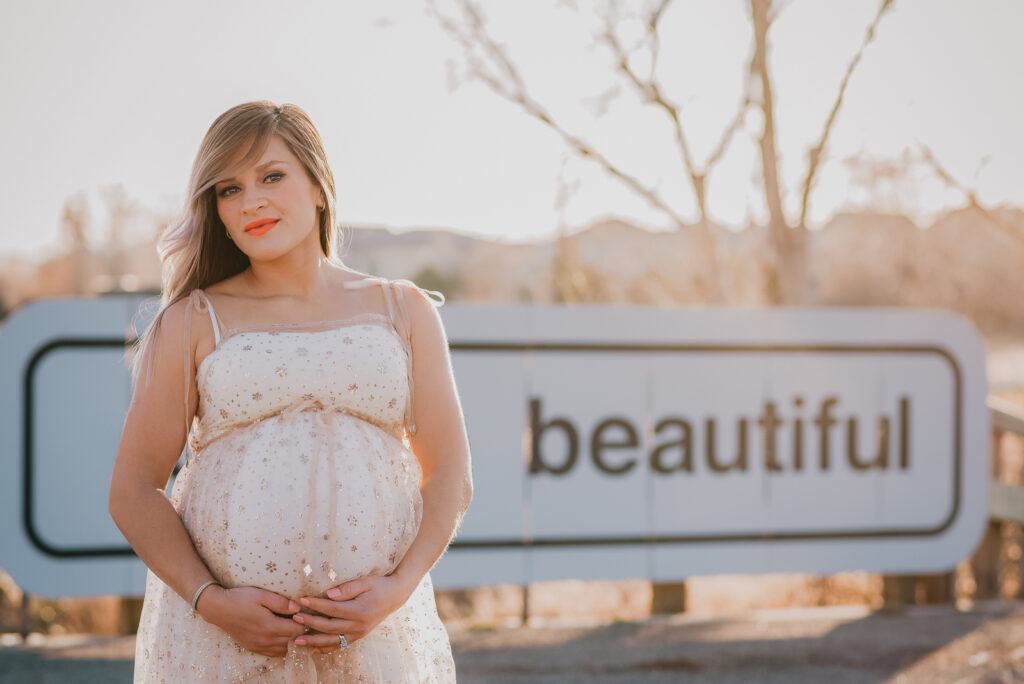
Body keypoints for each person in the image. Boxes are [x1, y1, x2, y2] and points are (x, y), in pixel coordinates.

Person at [109, 101, 473, 682]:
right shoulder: (192, 320)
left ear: (320, 187)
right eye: (228, 189)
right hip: (226, 644)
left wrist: (395, 591)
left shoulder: (402, 308)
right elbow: (133, 489)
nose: (251, 200)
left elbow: (451, 471)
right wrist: (212, 602)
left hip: (376, 637)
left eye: (272, 176)